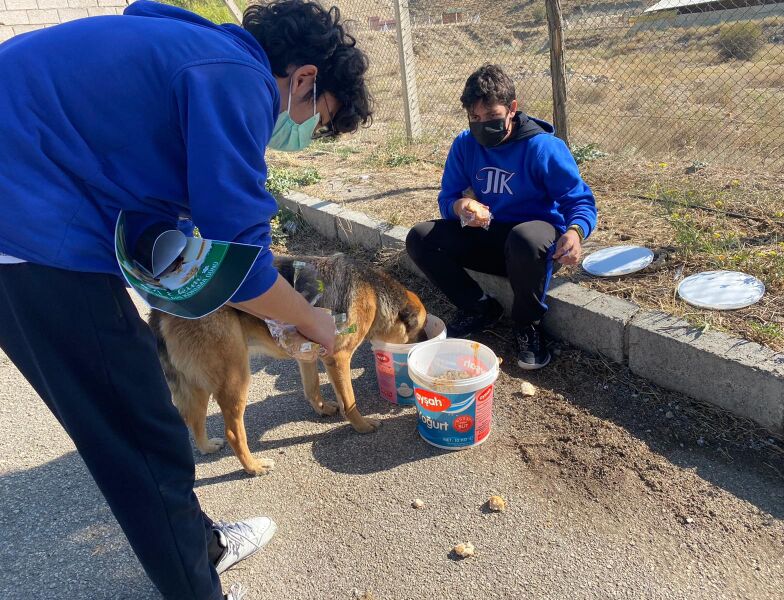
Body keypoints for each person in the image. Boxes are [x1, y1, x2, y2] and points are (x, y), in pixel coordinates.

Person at [0, 1, 372, 598]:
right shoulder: (237, 77)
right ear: (304, 78)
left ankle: (203, 547)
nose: (301, 133)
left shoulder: (187, 48)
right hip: (27, 229)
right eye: (315, 117)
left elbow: (161, 225)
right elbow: (246, 264)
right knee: (142, 437)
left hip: (29, 207)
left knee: (142, 416)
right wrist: (314, 321)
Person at [406, 64, 597, 370]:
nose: (482, 125)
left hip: (534, 244)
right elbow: (448, 197)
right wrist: (461, 208)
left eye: (492, 116)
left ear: (512, 110)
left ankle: (528, 325)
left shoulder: (543, 147)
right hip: (490, 235)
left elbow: (580, 201)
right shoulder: (465, 145)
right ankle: (479, 307)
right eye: (475, 118)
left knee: (524, 238)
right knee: (420, 237)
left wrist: (575, 233)